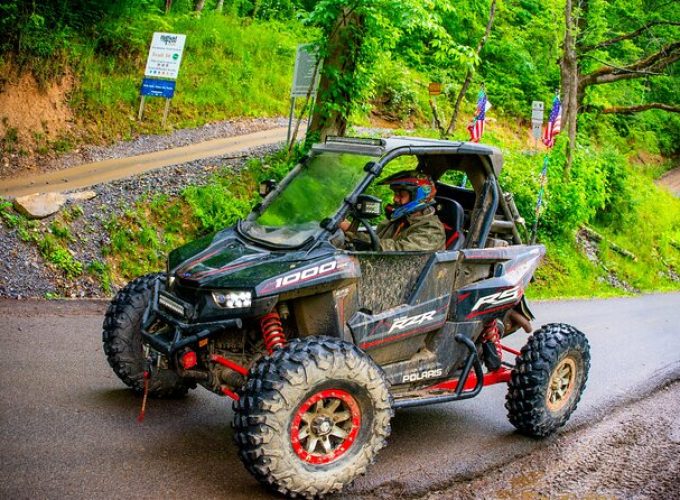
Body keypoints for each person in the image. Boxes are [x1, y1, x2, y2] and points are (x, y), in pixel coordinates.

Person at [340, 170, 446, 251]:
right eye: (395, 194)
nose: (395, 199)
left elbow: (395, 250)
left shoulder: (432, 229)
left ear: (418, 196)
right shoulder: (399, 220)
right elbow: (376, 238)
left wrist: (354, 236)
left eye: (400, 195)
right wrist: (348, 228)